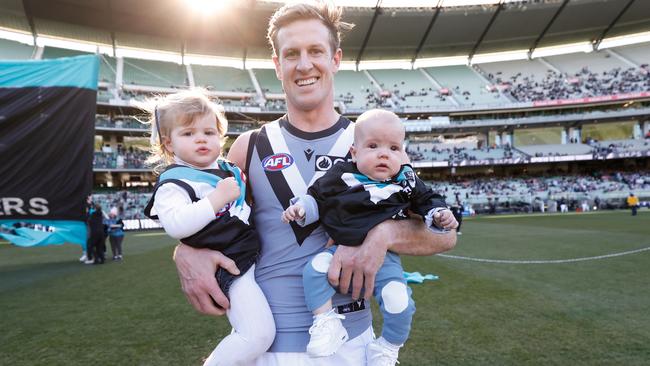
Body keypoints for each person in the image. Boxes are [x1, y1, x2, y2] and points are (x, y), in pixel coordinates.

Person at [171, 2, 458, 365]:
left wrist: (383, 236)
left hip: (353, 346)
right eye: (291, 54)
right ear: (277, 65)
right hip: (271, 349)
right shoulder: (250, 145)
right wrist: (185, 252)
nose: (304, 64)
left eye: (315, 51)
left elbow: (445, 234)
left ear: (335, 59)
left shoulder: (373, 144)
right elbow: (210, 219)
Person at [281, 109, 455, 364]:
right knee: (314, 270)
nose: (384, 154)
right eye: (373, 146)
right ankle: (327, 321)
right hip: (340, 247)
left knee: (398, 301)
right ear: (355, 152)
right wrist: (301, 208)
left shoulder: (405, 179)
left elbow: (427, 199)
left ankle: (387, 347)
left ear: (403, 153)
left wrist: (439, 213)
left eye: (394, 148)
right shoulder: (341, 175)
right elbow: (317, 197)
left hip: (386, 259)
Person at [142, 89, 275, 366]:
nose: (201, 138)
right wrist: (216, 199)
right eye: (188, 133)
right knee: (257, 335)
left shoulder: (225, 169)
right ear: (168, 144)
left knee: (256, 338)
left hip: (252, 258)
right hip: (232, 266)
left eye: (209, 132)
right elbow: (177, 225)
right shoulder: (175, 182)